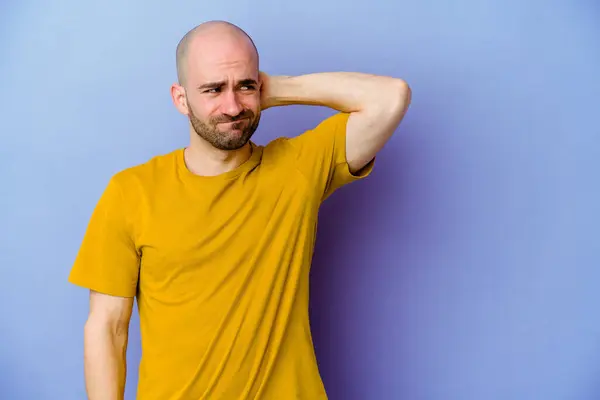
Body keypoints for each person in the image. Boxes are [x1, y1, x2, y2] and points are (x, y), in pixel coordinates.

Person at [68, 20, 411, 400]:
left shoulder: (298, 168)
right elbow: (107, 328)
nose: (232, 107)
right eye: (213, 89)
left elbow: (391, 97)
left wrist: (277, 88)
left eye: (245, 86)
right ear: (181, 99)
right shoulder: (131, 192)